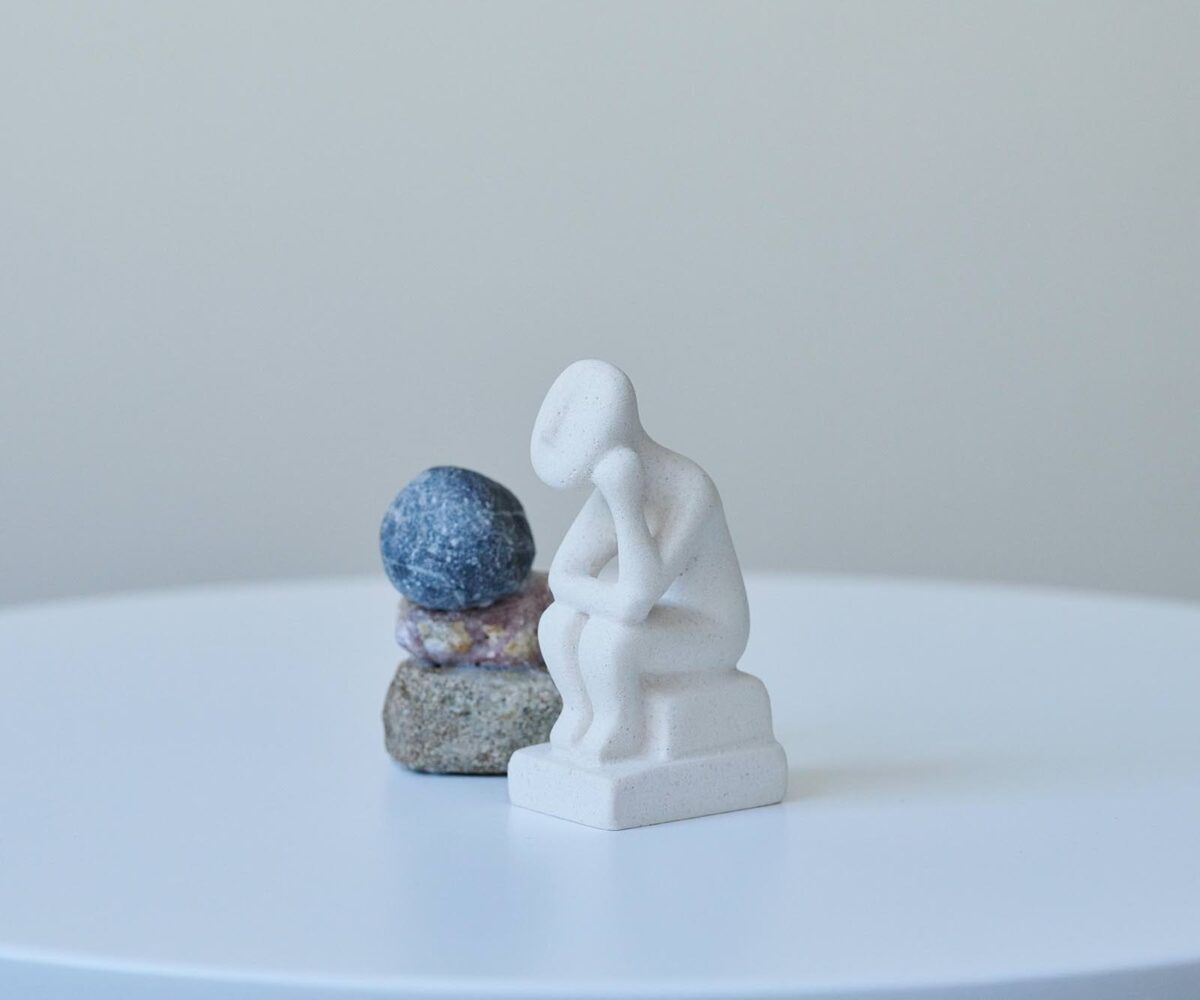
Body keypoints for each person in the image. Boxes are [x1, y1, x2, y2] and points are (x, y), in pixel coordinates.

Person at [532, 360, 750, 764]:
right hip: (657, 615)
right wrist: (611, 603)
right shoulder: (612, 484)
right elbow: (563, 577)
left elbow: (636, 600)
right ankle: (580, 714)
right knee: (557, 621)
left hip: (714, 630)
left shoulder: (690, 488)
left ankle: (620, 726)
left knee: (610, 638)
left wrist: (625, 504)